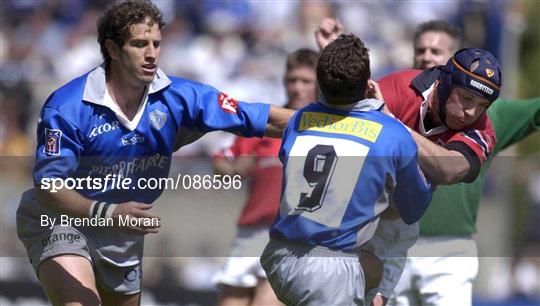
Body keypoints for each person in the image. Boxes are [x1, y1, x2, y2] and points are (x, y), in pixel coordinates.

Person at [15, 1, 291, 305]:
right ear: (113, 49)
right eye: (139, 44)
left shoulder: (180, 97)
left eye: (156, 44)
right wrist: (107, 213)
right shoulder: (68, 106)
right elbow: (48, 185)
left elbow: (262, 118)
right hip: (60, 218)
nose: (151, 54)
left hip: (122, 231)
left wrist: (336, 122)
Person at [315, 18, 502, 306]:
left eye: (481, 105)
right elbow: (336, 122)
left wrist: (392, 125)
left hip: (397, 226)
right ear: (445, 83)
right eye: (466, 98)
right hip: (350, 212)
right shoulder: (401, 88)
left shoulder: (482, 129)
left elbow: (449, 169)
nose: (471, 112)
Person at [260, 33, 434, 306]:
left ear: (320, 84)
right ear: (368, 85)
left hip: (278, 255)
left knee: (373, 267)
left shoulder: (299, 121)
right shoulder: (390, 134)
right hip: (329, 270)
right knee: (384, 260)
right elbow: (414, 207)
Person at [385, 21, 540, 306]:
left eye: (437, 50)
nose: (428, 57)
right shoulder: (399, 91)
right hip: (390, 241)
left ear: (454, 60)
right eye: (422, 50)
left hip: (449, 249)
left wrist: (394, 128)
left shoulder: (491, 117)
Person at [212, 48, 319, 306]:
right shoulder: (266, 124)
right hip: (250, 231)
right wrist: (233, 169)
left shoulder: (325, 129)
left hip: (290, 236)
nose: (297, 88)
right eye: (292, 80)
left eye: (306, 81)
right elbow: (221, 160)